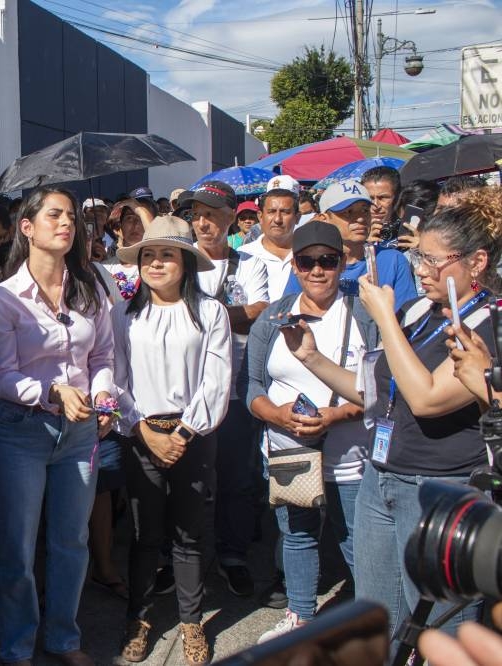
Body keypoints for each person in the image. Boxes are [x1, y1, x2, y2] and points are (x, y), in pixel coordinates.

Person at [278, 190, 502, 636]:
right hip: (380, 477)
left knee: (443, 627)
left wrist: (383, 320)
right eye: (419, 257)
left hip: (440, 488)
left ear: (475, 263)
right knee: (377, 621)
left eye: (433, 261)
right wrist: (312, 358)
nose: (420, 270)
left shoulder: (488, 324)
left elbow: (427, 399)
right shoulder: (419, 310)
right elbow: (375, 391)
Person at [0, 186, 114, 666]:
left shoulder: (89, 287)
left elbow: (101, 356)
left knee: (70, 540)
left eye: (72, 217)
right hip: (22, 431)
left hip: (80, 433)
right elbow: (1, 378)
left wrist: (102, 397)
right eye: (55, 215)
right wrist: (54, 392)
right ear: (27, 227)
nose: (66, 224)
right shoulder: (3, 299)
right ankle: (16, 647)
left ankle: (63, 638)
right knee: (16, 546)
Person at [242, 222, 378, 642]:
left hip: (351, 453)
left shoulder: (363, 315)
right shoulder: (274, 316)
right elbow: (252, 388)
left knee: (357, 537)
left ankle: (370, 615)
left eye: (328, 261)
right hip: (290, 449)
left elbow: (382, 389)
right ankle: (300, 615)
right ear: (295, 266)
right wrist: (277, 415)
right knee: (297, 533)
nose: (317, 271)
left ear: (342, 263)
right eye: (307, 261)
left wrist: (335, 417)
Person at [112, 216, 230, 665]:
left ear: (185, 261)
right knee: (145, 536)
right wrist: (143, 430)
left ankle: (191, 621)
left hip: (192, 436)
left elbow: (216, 379)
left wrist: (182, 434)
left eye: (166, 255)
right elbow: (117, 377)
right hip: (141, 435)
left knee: (189, 534)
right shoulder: (125, 315)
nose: (156, 263)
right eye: (148, 255)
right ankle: (138, 618)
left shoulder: (210, 311)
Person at [181, 180, 269, 597]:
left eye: (212, 214)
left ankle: (232, 556)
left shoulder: (250, 263)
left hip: (235, 389)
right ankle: (185, 558)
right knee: (189, 481)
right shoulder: (180, 260)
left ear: (231, 217)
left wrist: (203, 314)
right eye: (196, 215)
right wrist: (235, 313)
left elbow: (260, 312)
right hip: (186, 390)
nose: (202, 222)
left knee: (236, 477)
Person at [284, 179, 416, 310]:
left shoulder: (392, 260)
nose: (360, 218)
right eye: (348, 212)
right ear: (324, 219)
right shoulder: (307, 262)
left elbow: (407, 318)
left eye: (365, 210)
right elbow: (290, 310)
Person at [240, 189, 297, 300]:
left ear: (297, 217)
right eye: (271, 212)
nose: (277, 219)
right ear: (260, 217)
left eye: (285, 212)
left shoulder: (309, 255)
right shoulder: (244, 256)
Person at [360, 166, 400, 240]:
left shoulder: (408, 231)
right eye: (370, 198)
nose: (376, 205)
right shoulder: (351, 233)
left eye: (383, 197)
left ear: (397, 198)